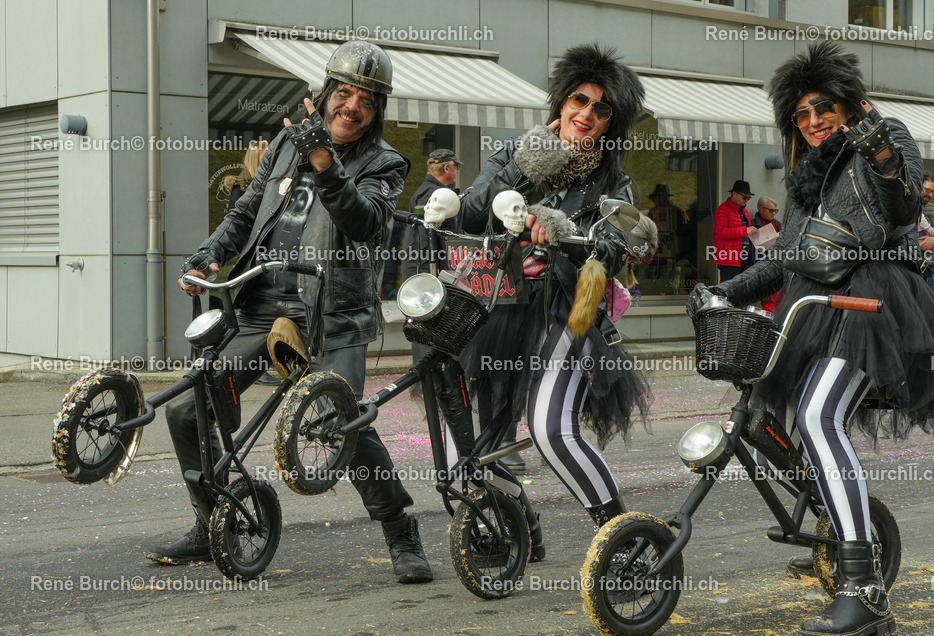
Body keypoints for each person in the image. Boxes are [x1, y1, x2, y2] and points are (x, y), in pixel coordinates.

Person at [689, 41, 934, 636]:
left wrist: (881, 153)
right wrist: (723, 291)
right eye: (801, 112)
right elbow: (789, 256)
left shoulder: (884, 132)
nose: (814, 119)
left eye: (824, 107)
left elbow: (901, 203)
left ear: (846, 101)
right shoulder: (805, 175)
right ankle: (838, 529)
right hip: (814, 306)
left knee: (820, 415)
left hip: (873, 302)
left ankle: (864, 591)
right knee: (777, 421)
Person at [148, 41, 434, 584]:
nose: (353, 106)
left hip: (331, 318)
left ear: (377, 111)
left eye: (367, 100)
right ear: (325, 92)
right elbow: (247, 208)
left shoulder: (385, 162)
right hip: (261, 305)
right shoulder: (285, 140)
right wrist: (209, 254)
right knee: (189, 409)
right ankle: (216, 524)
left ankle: (399, 528)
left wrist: (325, 163)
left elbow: (365, 223)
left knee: (336, 419)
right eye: (344, 92)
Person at [454, 43, 655, 554]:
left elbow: (618, 247)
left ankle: (622, 540)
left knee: (550, 430)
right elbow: (469, 217)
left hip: (568, 313)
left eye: (601, 108)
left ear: (612, 122)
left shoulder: (614, 181)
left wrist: (565, 232)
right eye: (578, 100)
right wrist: (525, 167)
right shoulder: (514, 153)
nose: (586, 114)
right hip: (502, 308)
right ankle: (520, 527)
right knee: (488, 439)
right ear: (560, 103)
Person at [401, 149, 462, 397]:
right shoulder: (436, 194)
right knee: (426, 320)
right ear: (447, 169)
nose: (458, 171)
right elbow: (429, 237)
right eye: (456, 167)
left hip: (420, 265)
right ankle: (426, 381)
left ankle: (425, 379)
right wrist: (439, 269)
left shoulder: (425, 191)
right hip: (426, 266)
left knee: (424, 320)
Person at [713, 180, 757, 281]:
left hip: (744, 257)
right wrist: (746, 231)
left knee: (744, 289)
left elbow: (746, 233)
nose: (746, 200)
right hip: (730, 259)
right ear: (734, 194)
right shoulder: (723, 209)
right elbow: (722, 232)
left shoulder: (744, 211)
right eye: (744, 197)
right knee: (729, 290)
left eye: (748, 198)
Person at [645, 183, 683, 279]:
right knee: (667, 283)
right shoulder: (676, 211)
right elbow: (681, 231)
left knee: (654, 285)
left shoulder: (652, 212)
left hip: (656, 255)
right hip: (669, 256)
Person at [751, 195, 781, 312]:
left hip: (778, 268)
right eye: (771, 210)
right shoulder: (754, 225)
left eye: (775, 210)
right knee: (768, 302)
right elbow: (764, 249)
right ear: (761, 209)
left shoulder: (777, 224)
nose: (773, 213)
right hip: (766, 269)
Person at [221, 139, 269, 211]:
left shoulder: (273, 182)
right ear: (254, 161)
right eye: (265, 159)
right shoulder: (240, 188)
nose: (270, 162)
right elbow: (234, 219)